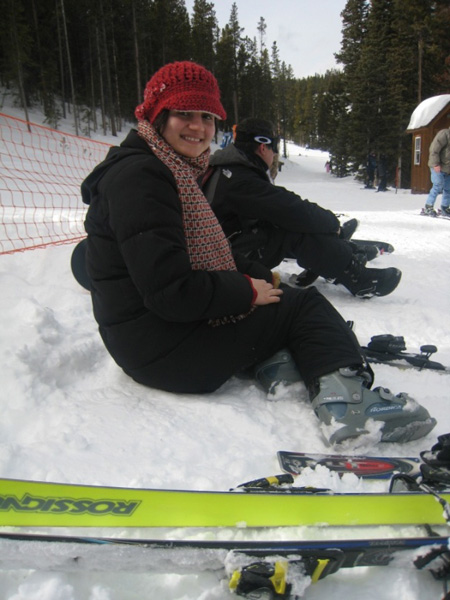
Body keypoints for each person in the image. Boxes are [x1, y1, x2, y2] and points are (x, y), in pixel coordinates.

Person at [81, 61, 435, 446]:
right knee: (304, 307)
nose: (198, 127)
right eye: (184, 113)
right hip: (165, 353)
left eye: (207, 116)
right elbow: (172, 292)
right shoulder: (142, 178)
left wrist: (265, 279)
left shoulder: (166, 169)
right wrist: (247, 291)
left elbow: (204, 256)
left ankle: (278, 364)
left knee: (284, 295)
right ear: (158, 116)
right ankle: (349, 408)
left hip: (153, 342)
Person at [203, 118, 401, 299]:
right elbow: (291, 208)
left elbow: (280, 204)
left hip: (224, 249)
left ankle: (340, 255)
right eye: (274, 150)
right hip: (225, 262)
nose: (273, 155)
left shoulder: (230, 169)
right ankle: (356, 276)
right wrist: (333, 225)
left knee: (286, 222)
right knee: (289, 229)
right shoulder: (240, 179)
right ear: (263, 147)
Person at [423, 127, 450, 216]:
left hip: (448, 168)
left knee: (448, 188)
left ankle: (444, 208)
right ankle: (428, 206)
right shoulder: (444, 134)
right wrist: (435, 164)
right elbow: (434, 149)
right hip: (438, 166)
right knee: (437, 186)